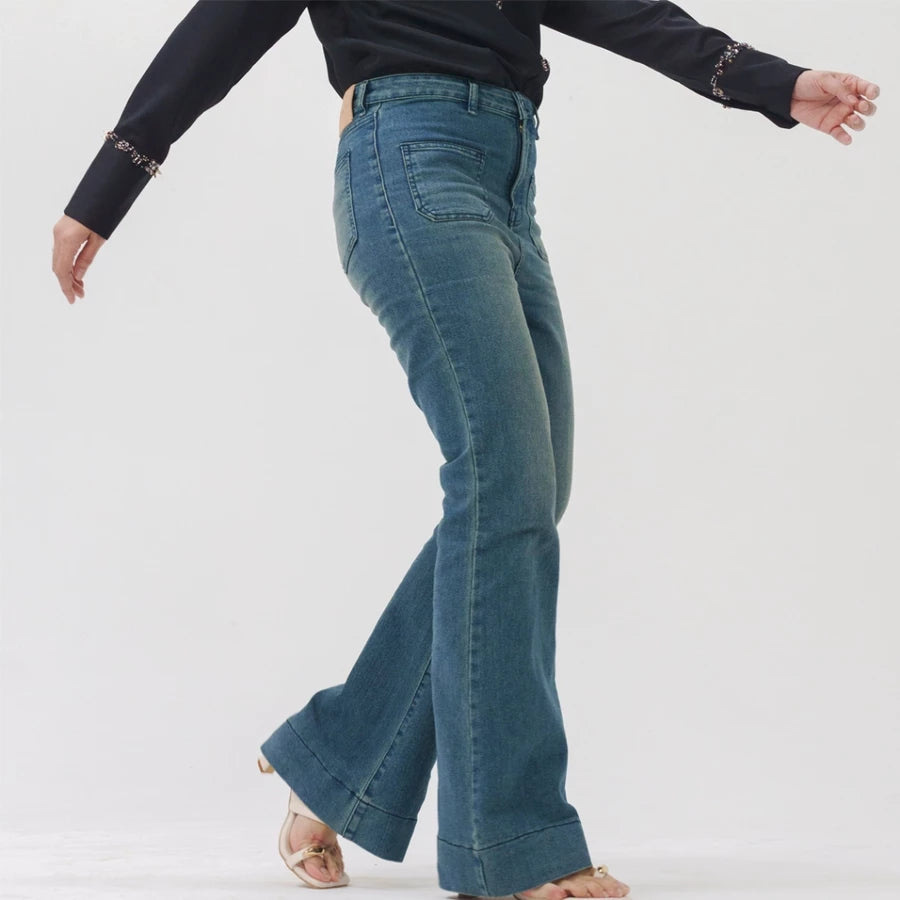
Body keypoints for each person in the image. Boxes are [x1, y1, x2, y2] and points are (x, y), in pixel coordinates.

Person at [51, 3, 879, 898]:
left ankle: (332, 762)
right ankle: (512, 843)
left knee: (525, 488)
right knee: (507, 480)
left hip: (508, 179)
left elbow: (608, 6)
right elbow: (217, 34)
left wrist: (775, 83)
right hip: (408, 159)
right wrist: (104, 190)